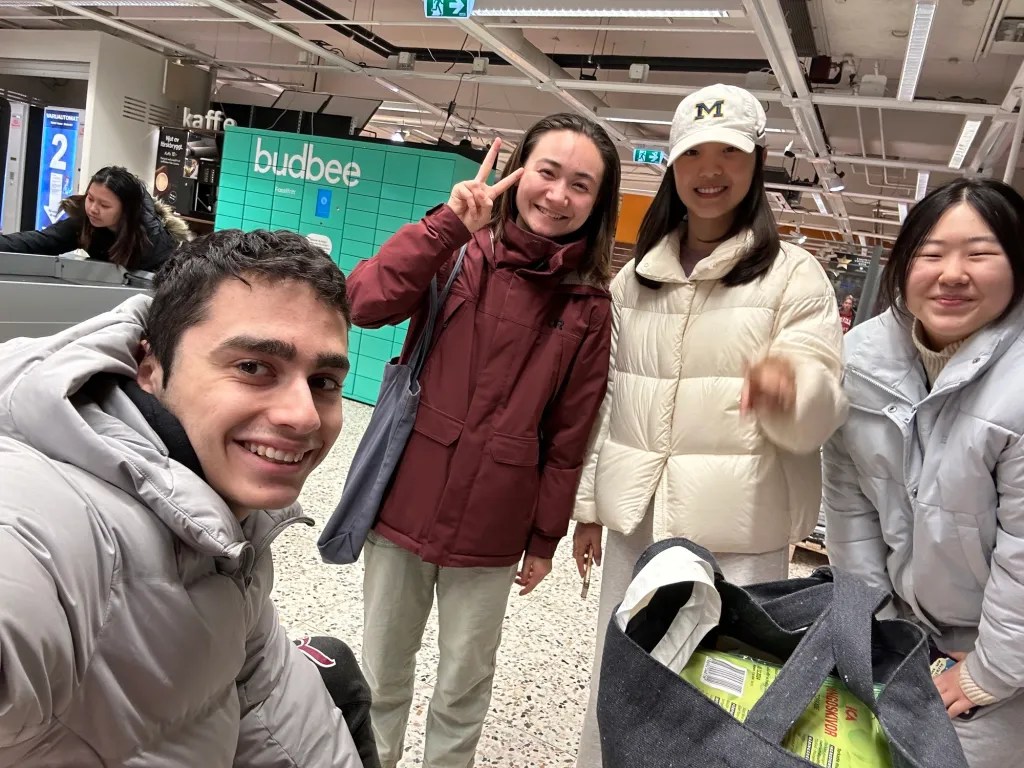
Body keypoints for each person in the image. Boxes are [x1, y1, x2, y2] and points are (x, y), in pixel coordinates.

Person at [0, 229, 373, 767]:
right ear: (149, 368)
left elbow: (269, 704)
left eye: (323, 381)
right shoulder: (55, 524)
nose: (304, 416)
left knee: (334, 669)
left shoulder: (223, 525)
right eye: (253, 367)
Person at [571, 83, 848, 767]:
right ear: (674, 164)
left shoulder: (793, 277)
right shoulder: (634, 281)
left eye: (732, 151)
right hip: (639, 523)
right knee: (628, 675)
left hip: (736, 530)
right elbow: (606, 400)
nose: (712, 169)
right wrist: (587, 508)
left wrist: (791, 391)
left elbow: (819, 400)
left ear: (757, 165)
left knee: (722, 696)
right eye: (696, 153)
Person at [344, 115, 620, 768]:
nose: (557, 195)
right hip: (403, 501)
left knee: (463, 688)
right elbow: (360, 303)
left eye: (580, 185)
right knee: (381, 675)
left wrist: (545, 537)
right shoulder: (455, 251)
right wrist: (446, 224)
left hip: (493, 528)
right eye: (547, 172)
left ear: (597, 205)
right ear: (517, 170)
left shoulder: (588, 306)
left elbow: (569, 436)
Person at [823, 178, 1024, 768]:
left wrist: (991, 672)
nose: (952, 273)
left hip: (997, 653)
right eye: (930, 254)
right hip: (905, 631)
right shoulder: (862, 360)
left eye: (981, 253)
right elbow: (850, 506)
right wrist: (876, 627)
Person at [0, 165, 190, 271]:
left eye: (104, 205)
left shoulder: (153, 242)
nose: (93, 209)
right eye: (90, 198)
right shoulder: (85, 223)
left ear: (126, 211)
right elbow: (39, 242)